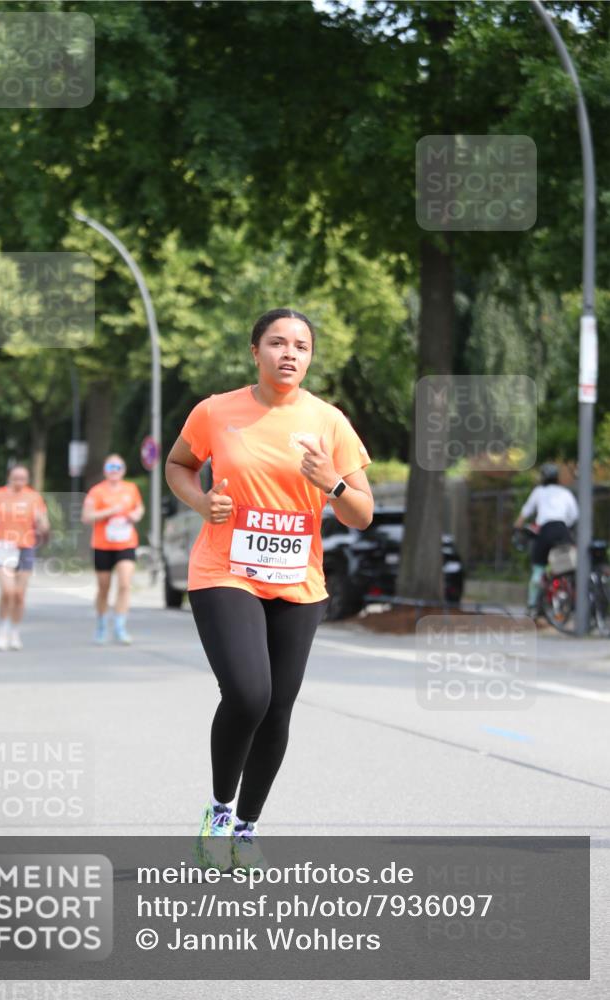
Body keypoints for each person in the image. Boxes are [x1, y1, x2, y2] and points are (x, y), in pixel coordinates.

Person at [165, 307, 373, 870]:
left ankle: (247, 829)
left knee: (278, 709)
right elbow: (179, 465)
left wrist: (328, 480)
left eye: (301, 346)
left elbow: (361, 513)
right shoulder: (215, 411)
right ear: (254, 351)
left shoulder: (329, 422)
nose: (289, 354)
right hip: (224, 570)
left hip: (298, 580)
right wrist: (201, 501)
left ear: (309, 358)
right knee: (249, 693)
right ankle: (218, 811)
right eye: (277, 343)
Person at [0, 464, 50, 650]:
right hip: (4, 545)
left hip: (26, 546)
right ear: (9, 477)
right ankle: (2, 630)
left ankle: (14, 632)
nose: (19, 482)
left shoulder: (34, 497)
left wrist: (42, 523)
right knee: (8, 592)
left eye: (23, 478)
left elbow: (44, 523)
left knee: (19, 595)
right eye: (16, 478)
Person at [81, 454, 144, 645]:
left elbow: (140, 508)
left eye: (118, 467)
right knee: (104, 587)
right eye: (110, 467)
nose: (114, 471)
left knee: (125, 585)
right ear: (105, 471)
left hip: (126, 543)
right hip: (102, 545)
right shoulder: (97, 492)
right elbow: (86, 517)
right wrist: (110, 512)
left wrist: (135, 515)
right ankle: (101, 625)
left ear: (123, 470)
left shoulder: (131, 488)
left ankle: (120, 626)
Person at [513, 462, 579, 617]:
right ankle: (567, 598)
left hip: (545, 531)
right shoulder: (565, 493)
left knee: (538, 568)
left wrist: (516, 528)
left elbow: (525, 511)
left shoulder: (539, 491)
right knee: (565, 567)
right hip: (563, 531)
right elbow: (575, 515)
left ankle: (532, 607)